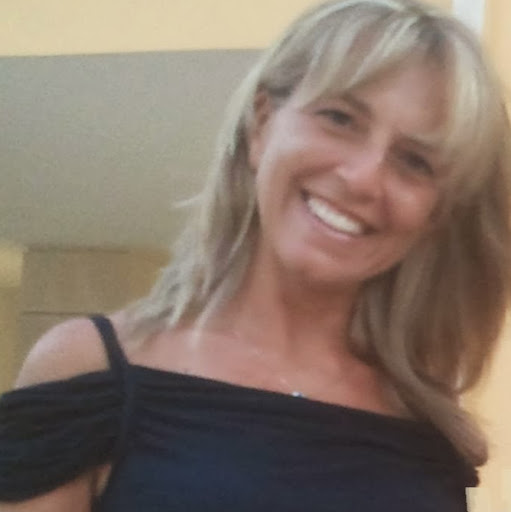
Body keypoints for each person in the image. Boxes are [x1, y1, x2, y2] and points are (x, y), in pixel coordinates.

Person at [1, 0, 510, 510]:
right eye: (340, 118)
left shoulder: (425, 426)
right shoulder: (90, 371)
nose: (363, 178)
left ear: (435, 213)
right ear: (261, 125)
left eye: (415, 161)